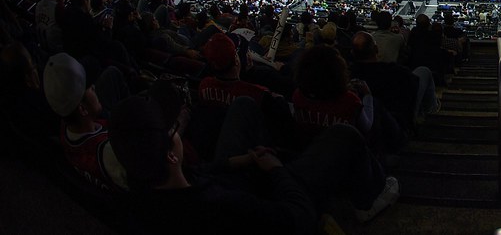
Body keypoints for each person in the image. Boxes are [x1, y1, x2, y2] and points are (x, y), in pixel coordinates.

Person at [108, 94, 399, 234]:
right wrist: (276, 169)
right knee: (343, 135)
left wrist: (241, 160)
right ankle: (369, 199)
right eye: (175, 131)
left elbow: (202, 172)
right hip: (271, 195)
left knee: (243, 106)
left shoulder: (149, 186)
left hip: (233, 180)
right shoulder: (222, 209)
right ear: (171, 155)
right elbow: (297, 218)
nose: (181, 129)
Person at [42, 52, 130, 190]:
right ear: (82, 109)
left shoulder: (66, 125)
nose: (94, 87)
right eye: (89, 87)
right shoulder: (110, 155)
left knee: (112, 73)